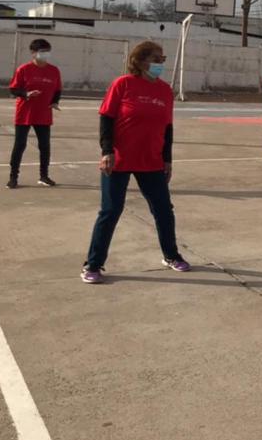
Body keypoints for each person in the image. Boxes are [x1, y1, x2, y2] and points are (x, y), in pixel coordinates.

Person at [80, 41, 190, 284]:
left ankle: (171, 256)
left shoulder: (164, 91)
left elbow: (167, 127)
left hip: (151, 161)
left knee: (163, 210)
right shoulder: (123, 84)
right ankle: (93, 263)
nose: (161, 63)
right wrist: (107, 151)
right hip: (119, 159)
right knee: (110, 210)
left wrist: (167, 159)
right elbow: (106, 118)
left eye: (163, 58)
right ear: (140, 61)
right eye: (156, 58)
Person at [7, 38, 62, 188]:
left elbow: (57, 90)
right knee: (20, 145)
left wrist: (55, 101)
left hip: (44, 113)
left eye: (47, 51)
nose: (45, 54)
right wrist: (26, 93)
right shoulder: (23, 69)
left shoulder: (54, 70)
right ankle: (13, 177)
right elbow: (13, 89)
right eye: (42, 51)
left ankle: (44, 176)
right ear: (33, 53)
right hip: (25, 113)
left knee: (45, 145)